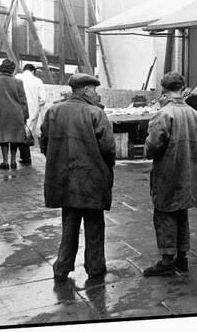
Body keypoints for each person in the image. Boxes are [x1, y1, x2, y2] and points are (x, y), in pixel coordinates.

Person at [40, 73, 115, 282]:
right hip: (92, 179)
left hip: (64, 180)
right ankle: (95, 267)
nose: (96, 94)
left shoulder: (53, 111)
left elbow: (44, 143)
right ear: (86, 90)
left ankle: (62, 267)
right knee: (94, 226)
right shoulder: (96, 113)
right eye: (94, 89)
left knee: (69, 225)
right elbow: (108, 147)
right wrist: (108, 166)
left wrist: (59, 161)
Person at [143, 72, 197, 277]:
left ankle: (167, 259)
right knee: (181, 212)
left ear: (164, 89)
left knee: (164, 212)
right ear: (183, 87)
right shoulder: (194, 114)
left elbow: (152, 146)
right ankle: (182, 257)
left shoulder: (163, 114)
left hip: (168, 173)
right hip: (188, 172)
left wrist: (148, 151)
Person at [0, 59, 29, 170]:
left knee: (3, 138)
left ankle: (5, 161)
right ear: (12, 70)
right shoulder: (18, 82)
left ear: (1, 68)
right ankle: (13, 161)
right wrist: (25, 116)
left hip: (0, 113)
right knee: (14, 137)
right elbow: (23, 101)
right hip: (16, 113)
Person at [15, 64, 45, 165]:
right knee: (28, 132)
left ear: (24, 70)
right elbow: (42, 99)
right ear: (33, 71)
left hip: (17, 108)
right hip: (32, 110)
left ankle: (21, 157)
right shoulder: (38, 81)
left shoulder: (17, 77)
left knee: (18, 133)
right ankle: (26, 157)